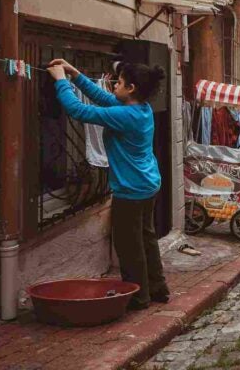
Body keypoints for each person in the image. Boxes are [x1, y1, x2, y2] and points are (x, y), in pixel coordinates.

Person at [47, 58, 169, 310]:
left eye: (119, 82)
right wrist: (76, 73)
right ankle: (158, 289)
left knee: (128, 246)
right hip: (147, 185)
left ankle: (138, 296)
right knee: (146, 239)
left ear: (131, 88)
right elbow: (103, 99)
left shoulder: (126, 116)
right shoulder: (141, 109)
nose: (114, 85)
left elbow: (79, 111)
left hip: (131, 191)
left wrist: (61, 80)